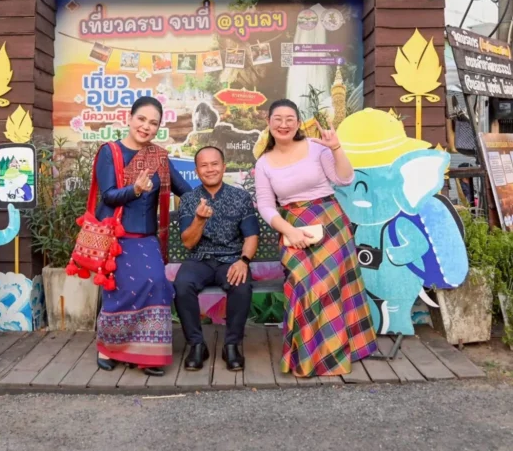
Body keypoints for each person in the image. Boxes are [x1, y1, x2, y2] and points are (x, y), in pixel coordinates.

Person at [254, 99, 377, 377]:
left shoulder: (316, 148)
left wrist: (335, 148)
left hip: (329, 222)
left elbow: (344, 179)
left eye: (290, 119)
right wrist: (289, 231)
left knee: (326, 286)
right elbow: (266, 206)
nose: (283, 124)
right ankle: (307, 355)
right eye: (278, 119)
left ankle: (333, 355)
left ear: (298, 123)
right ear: (269, 123)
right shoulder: (263, 163)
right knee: (301, 284)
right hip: (293, 226)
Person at [93, 97, 192, 376]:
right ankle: (108, 348)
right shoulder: (110, 152)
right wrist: (135, 189)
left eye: (153, 123)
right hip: (116, 236)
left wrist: (212, 194)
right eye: (142, 119)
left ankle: (147, 353)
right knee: (122, 288)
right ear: (130, 118)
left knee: (157, 282)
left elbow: (185, 190)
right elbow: (108, 196)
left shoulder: (158, 157)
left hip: (146, 237)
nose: (146, 127)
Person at [174, 146, 259, 372]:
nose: (210, 169)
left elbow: (251, 236)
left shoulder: (240, 197)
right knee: (182, 284)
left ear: (223, 167)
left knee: (241, 284)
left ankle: (231, 345)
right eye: (204, 165)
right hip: (199, 259)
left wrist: (243, 261)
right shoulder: (189, 199)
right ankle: (197, 345)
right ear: (197, 170)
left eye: (214, 164)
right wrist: (199, 220)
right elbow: (188, 243)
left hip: (231, 259)